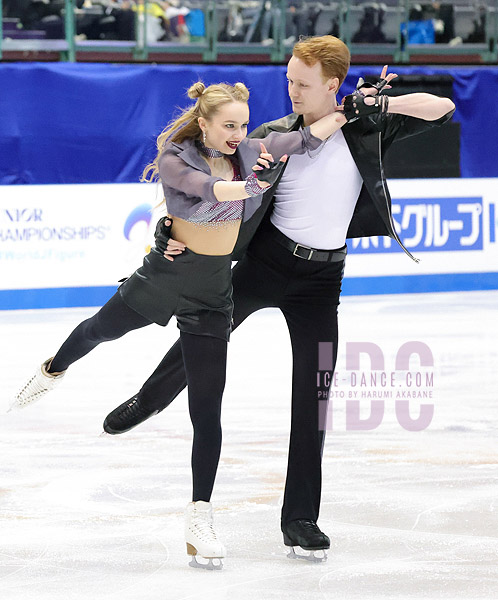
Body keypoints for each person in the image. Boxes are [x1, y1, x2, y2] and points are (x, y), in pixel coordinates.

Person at [102, 36, 456, 561]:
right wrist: (166, 230)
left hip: (321, 282)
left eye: (302, 83)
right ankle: (149, 399)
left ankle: (300, 520)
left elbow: (443, 109)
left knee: (313, 399)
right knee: (205, 329)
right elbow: (203, 183)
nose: (290, 90)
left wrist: (381, 104)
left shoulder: (365, 125)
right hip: (267, 261)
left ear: (333, 86)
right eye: (289, 79)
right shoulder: (274, 135)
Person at [10, 80, 348, 569]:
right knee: (97, 331)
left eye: (243, 125)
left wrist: (352, 110)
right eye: (228, 126)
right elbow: (208, 191)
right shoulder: (177, 157)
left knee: (207, 410)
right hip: (164, 278)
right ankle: (53, 368)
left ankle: (200, 516)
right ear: (204, 124)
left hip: (213, 295)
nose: (238, 134)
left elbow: (306, 138)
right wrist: (251, 183)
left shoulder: (252, 149)